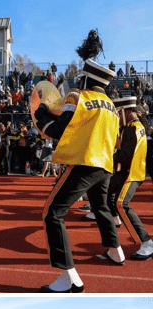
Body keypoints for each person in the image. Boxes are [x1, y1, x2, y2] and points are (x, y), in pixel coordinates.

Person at [34, 30, 123, 292]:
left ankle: (69, 278)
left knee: (52, 213)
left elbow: (56, 129)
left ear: (84, 78)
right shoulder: (111, 106)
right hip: (104, 164)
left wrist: (41, 114)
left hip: (84, 162)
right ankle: (116, 251)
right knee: (102, 208)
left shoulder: (77, 96)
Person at [107, 97, 153, 260]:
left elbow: (125, 155)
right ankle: (115, 220)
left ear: (127, 111)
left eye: (118, 113)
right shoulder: (138, 126)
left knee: (121, 204)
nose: (117, 117)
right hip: (131, 171)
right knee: (107, 193)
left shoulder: (130, 129)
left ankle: (146, 242)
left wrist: (108, 155)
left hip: (131, 173)